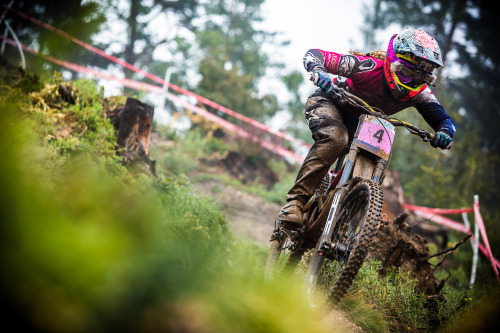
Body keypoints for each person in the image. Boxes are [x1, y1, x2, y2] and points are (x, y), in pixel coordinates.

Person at [277, 27, 456, 230]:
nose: (411, 82)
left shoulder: (419, 93)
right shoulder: (367, 67)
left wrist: (445, 133)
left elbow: (444, 120)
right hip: (329, 103)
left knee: (376, 161)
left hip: (364, 123)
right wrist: (319, 72)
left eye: (419, 78)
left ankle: (344, 229)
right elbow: (315, 55)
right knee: (336, 138)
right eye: (406, 73)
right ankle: (295, 203)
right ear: (393, 61)